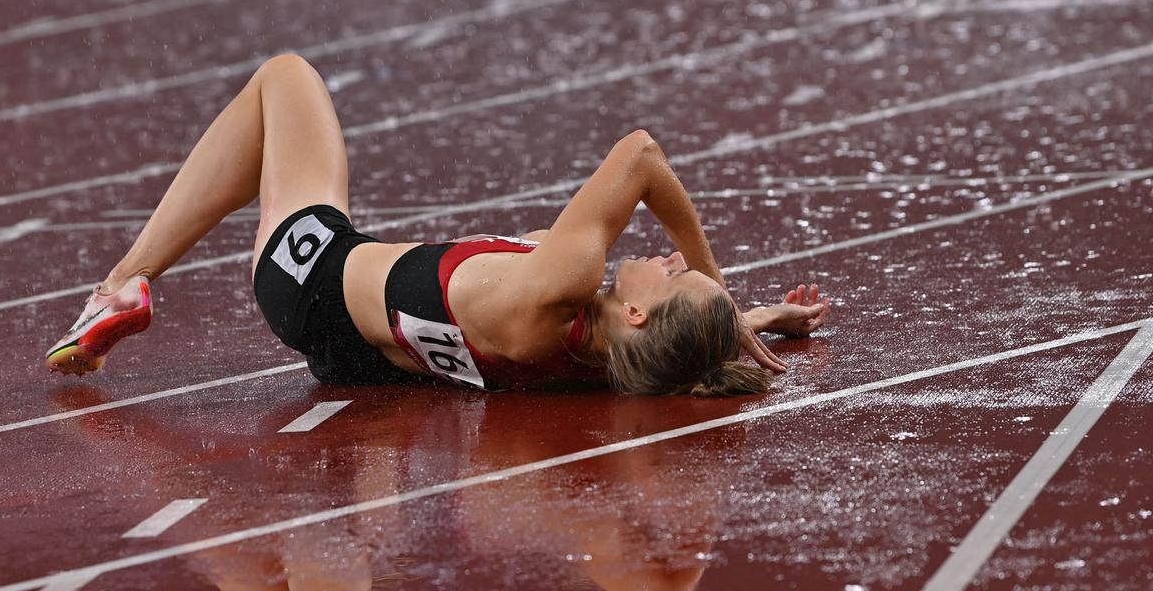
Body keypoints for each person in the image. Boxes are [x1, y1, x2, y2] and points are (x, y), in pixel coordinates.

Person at [44, 55, 831, 395]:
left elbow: (643, 154)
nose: (664, 259)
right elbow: (665, 349)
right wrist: (741, 321)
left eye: (669, 275)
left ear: (635, 311)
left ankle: (123, 284)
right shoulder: (610, 359)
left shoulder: (560, 287)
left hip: (308, 275)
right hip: (358, 356)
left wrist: (718, 283)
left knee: (284, 80)